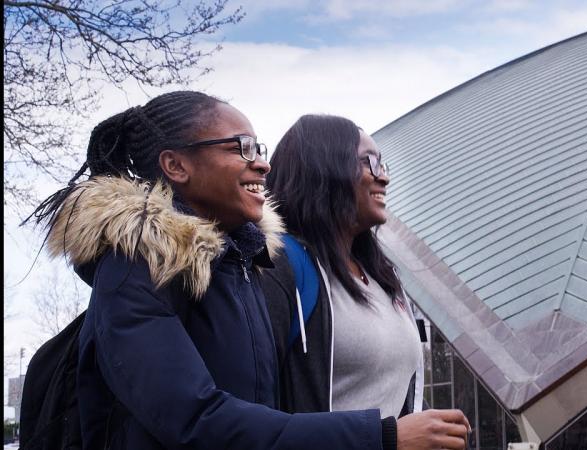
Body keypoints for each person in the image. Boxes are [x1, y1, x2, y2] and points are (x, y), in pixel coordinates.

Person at [23, 91, 470, 450]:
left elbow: (264, 415)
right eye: (242, 148)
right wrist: (382, 437)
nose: (262, 163)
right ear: (176, 165)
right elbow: (196, 420)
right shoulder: (133, 270)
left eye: (259, 148)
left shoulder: (240, 265)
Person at [262, 114, 471, 434]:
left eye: (382, 164)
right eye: (368, 162)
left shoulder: (384, 279)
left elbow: (388, 399)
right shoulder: (278, 267)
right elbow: (251, 417)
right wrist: (387, 439)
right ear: (323, 168)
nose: (383, 177)